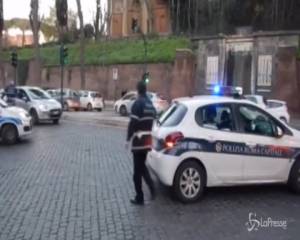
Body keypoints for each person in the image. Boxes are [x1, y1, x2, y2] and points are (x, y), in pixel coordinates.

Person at [126, 80, 156, 205]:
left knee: (136, 173)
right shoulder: (150, 104)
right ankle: (152, 187)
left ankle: (140, 197)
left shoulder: (138, 103)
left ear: (138, 90)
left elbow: (133, 123)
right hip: (148, 141)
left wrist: (128, 139)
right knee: (142, 166)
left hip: (139, 142)